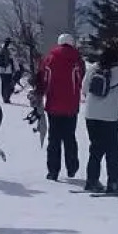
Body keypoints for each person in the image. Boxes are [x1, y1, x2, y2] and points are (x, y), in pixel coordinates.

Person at [82, 48, 118, 194]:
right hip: (109, 116)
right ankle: (114, 182)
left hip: (90, 114)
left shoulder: (93, 69)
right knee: (112, 150)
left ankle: (92, 181)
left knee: (95, 149)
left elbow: (84, 88)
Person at [34, 33, 85, 182]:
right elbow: (81, 79)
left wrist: (40, 94)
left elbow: (42, 79)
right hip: (71, 105)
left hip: (53, 104)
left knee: (54, 139)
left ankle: (53, 171)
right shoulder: (77, 60)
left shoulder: (49, 59)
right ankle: (72, 167)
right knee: (70, 137)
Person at [0, 39, 17, 104]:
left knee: (3, 84)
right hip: (8, 71)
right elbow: (15, 62)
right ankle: (6, 98)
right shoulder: (10, 51)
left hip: (1, 71)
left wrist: (0, 66)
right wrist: (17, 69)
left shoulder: (0, 50)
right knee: (9, 85)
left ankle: (5, 97)